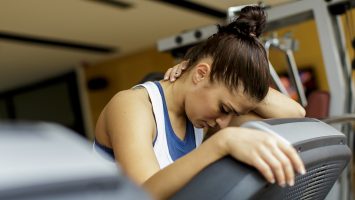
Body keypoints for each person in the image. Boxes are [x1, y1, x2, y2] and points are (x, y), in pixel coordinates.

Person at [94, 6, 306, 200]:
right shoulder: (133, 106)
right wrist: (221, 142)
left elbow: (295, 114)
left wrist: (244, 87)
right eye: (224, 108)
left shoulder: (198, 117)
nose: (223, 123)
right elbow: (143, 195)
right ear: (201, 74)